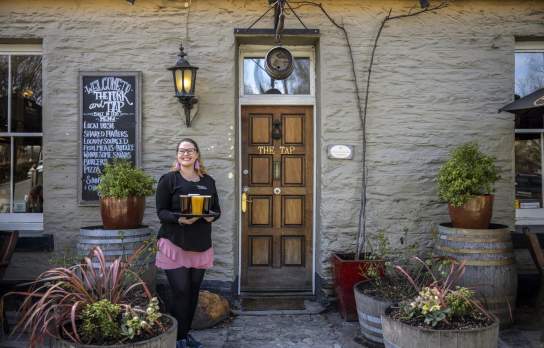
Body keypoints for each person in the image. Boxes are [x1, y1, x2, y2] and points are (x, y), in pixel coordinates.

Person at [155, 138, 220, 348]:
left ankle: (184, 336)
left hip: (200, 244)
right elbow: (161, 212)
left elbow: (216, 209)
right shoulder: (169, 180)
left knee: (192, 293)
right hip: (174, 243)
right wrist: (179, 219)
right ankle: (176, 339)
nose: (186, 154)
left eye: (190, 150)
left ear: (197, 154)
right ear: (177, 155)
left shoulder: (208, 181)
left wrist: (211, 216)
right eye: (182, 151)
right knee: (181, 292)